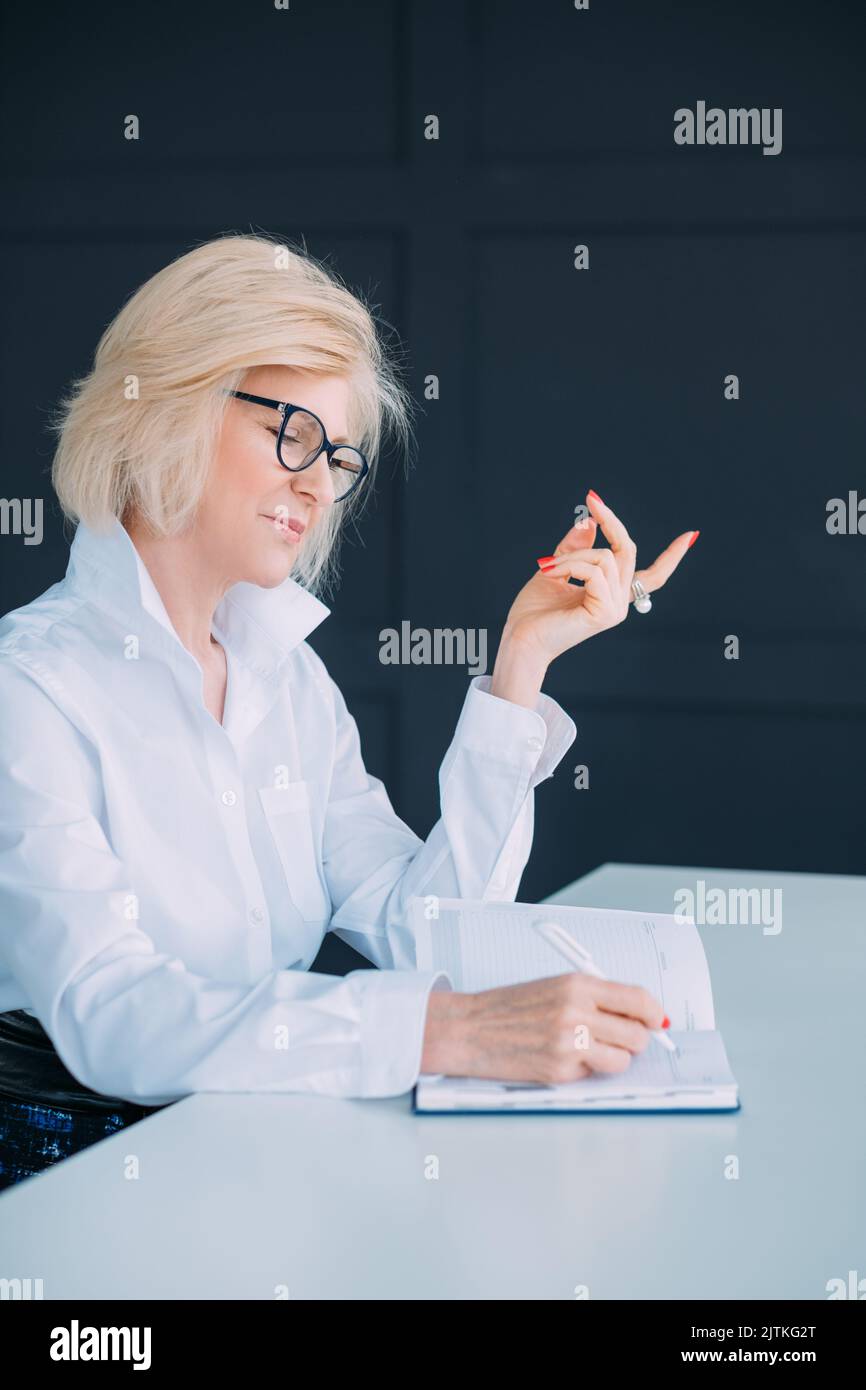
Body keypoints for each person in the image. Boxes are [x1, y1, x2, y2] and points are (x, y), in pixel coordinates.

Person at [0, 234, 697, 1188]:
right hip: (70, 1191)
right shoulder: (29, 690)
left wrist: (520, 667)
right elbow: (114, 1016)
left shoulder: (289, 682)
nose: (317, 483)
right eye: (290, 431)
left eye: (337, 455)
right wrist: (447, 1031)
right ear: (167, 400)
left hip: (254, 1170)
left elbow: (429, 931)